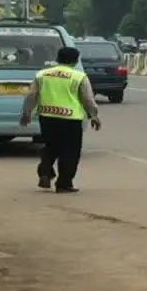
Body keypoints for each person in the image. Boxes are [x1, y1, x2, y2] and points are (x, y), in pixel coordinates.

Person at [20, 47, 101, 193]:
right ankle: (64, 183)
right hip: (71, 119)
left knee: (51, 146)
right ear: (76, 60)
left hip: (47, 117)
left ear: (57, 58)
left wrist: (26, 113)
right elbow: (87, 99)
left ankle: (45, 172)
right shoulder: (79, 76)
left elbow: (31, 96)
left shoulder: (42, 74)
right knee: (70, 151)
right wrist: (94, 115)